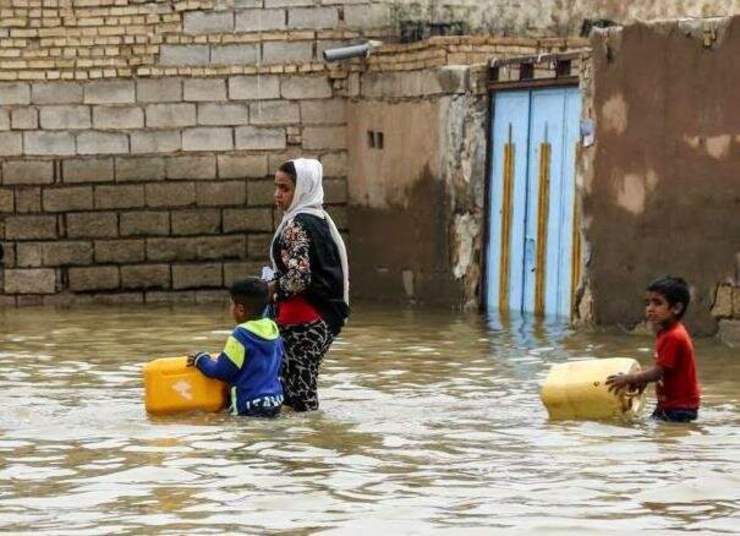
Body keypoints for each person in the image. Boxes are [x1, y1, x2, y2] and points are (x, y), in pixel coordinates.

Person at [269, 158, 349, 412]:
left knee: (299, 396)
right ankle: (308, 443)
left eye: (285, 189)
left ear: (302, 189)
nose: (277, 195)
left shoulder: (297, 224)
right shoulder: (318, 219)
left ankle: (307, 445)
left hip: (304, 320)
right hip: (321, 316)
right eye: (277, 187)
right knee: (298, 391)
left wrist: (269, 289)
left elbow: (299, 278)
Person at [606, 276, 700, 422]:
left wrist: (628, 378)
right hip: (671, 405)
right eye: (647, 303)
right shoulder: (665, 332)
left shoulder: (674, 336)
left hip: (679, 408)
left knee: (661, 438)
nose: (650, 309)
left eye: (657, 303)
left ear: (676, 308)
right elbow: (664, 368)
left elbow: (657, 373)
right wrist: (643, 380)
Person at [187, 278, 284, 418]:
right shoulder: (273, 328)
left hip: (249, 407)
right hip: (275, 402)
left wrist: (200, 359)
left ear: (240, 309)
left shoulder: (241, 335)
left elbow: (221, 371)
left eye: (231, 304)